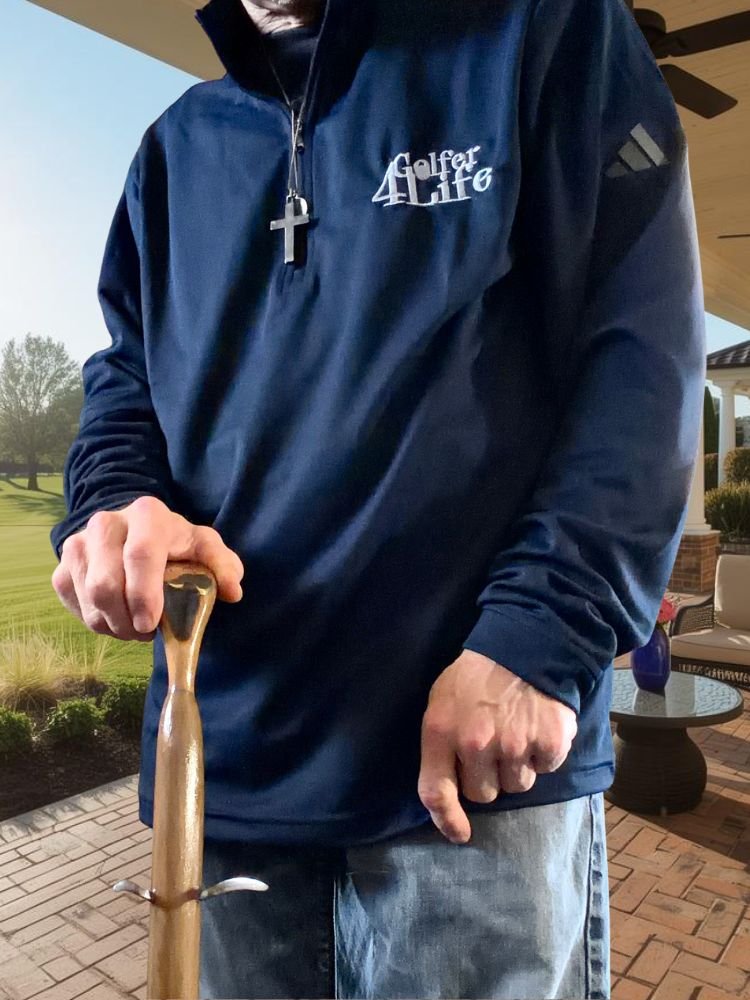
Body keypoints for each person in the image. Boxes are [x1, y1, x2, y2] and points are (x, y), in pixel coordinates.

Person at [49, 0, 706, 996]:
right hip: (227, 785)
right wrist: (116, 499)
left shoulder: (541, 33)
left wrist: (544, 634)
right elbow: (127, 382)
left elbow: (643, 351)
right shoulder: (176, 150)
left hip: (468, 786)